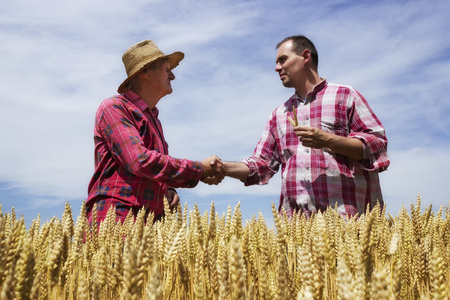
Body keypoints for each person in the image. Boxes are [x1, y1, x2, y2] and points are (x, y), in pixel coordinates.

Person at [222, 35, 390, 218]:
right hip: (297, 232)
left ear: (306, 56)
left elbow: (378, 146)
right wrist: (223, 168)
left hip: (350, 226)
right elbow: (261, 165)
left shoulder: (345, 96)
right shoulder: (278, 115)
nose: (277, 67)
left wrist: (329, 140)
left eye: (283, 60)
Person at [86, 40, 225, 225]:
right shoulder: (114, 108)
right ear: (145, 72)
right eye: (166, 68)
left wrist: (167, 190)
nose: (173, 75)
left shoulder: (153, 119)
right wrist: (200, 169)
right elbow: (140, 161)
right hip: (117, 222)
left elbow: (150, 170)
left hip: (150, 225)